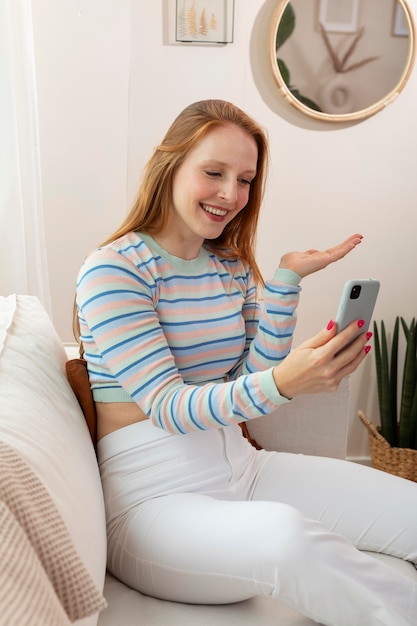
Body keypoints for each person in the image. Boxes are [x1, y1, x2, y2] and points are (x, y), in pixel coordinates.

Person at [75, 99, 417, 625]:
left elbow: (248, 377)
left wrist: (284, 282)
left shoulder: (228, 266)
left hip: (243, 467)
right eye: (213, 172)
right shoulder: (113, 270)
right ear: (170, 164)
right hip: (152, 501)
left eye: (246, 179)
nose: (231, 194)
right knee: (284, 539)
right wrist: (283, 384)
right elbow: (167, 406)